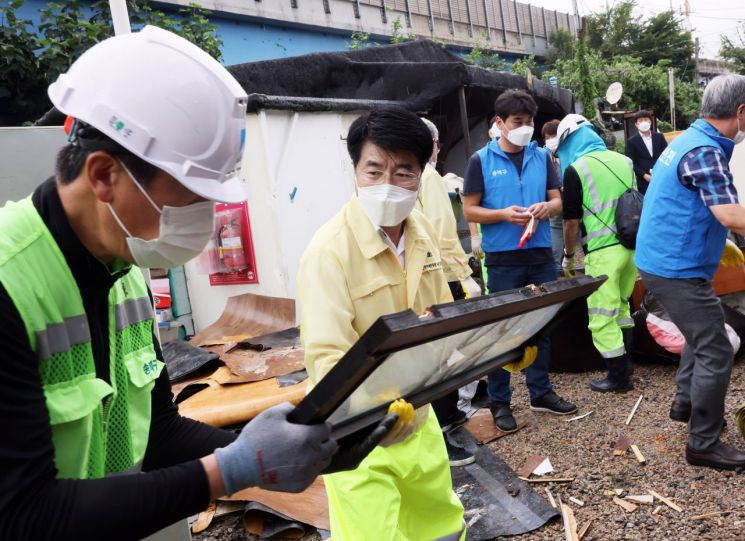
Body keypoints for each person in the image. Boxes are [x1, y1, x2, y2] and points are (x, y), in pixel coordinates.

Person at [0, 27, 389, 540]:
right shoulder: (10, 283)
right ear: (102, 175)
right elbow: (23, 514)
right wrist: (232, 470)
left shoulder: (122, 273)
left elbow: (158, 434)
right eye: (190, 195)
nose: (204, 221)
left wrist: (282, 451)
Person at [298, 107, 466, 541]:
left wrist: (497, 349)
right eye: (374, 170)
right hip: (358, 434)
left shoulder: (422, 233)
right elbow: (327, 360)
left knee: (441, 527)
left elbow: (445, 321)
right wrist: (375, 407)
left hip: (420, 418)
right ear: (355, 170)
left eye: (404, 172)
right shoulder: (329, 253)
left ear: (423, 173)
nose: (388, 184)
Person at [635, 74, 745, 470]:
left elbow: (688, 202)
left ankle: (685, 401)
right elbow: (729, 213)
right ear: (741, 112)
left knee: (704, 331)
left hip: (665, 260)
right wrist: (728, 228)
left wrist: (722, 241)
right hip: (676, 267)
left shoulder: (687, 139)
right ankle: (703, 443)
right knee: (717, 347)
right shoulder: (706, 151)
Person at [462, 90, 577, 433]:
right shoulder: (480, 160)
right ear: (500, 123)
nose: (525, 128)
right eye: (518, 122)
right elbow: (469, 208)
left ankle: (541, 393)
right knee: (503, 331)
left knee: (541, 326)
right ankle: (500, 401)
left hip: (540, 253)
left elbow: (558, 200)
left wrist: (548, 208)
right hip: (503, 259)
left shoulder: (542, 157)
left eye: (529, 122)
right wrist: (499, 214)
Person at [555, 114, 637, 393]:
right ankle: (628, 364)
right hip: (631, 248)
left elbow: (571, 221)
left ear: (569, 142)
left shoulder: (576, 169)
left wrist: (568, 255)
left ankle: (618, 378)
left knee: (602, 316)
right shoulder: (624, 161)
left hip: (603, 253)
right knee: (623, 306)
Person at [419, 118, 480, 466]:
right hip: (441, 279)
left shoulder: (415, 178)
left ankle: (450, 417)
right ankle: (443, 429)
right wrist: (463, 272)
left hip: (425, 281)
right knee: (445, 355)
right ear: (434, 146)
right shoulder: (427, 178)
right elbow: (443, 233)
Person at [625, 109, 668, 194]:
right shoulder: (631, 141)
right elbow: (631, 162)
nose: (644, 122)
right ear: (636, 124)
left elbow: (667, 155)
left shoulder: (659, 137)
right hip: (643, 181)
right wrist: (644, 175)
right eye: (640, 120)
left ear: (650, 122)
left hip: (660, 176)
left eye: (646, 120)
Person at [542, 119, 564, 276]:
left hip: (574, 195)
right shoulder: (543, 155)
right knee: (555, 226)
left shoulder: (568, 150)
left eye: (553, 136)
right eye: (547, 137)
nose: (550, 140)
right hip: (553, 198)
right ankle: (556, 264)